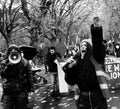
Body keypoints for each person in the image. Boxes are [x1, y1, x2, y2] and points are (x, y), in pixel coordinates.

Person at [63, 17, 108, 109]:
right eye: (81, 45)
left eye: (85, 45)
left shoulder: (96, 58)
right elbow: (71, 81)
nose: (83, 47)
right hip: (82, 99)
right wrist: (69, 69)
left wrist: (96, 30)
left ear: (90, 48)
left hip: (98, 98)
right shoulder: (75, 61)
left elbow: (98, 46)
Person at [0, 44, 34, 109]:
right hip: (8, 91)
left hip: (21, 90)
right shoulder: (4, 62)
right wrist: (9, 66)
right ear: (8, 53)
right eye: (11, 51)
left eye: (15, 51)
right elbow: (2, 74)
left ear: (18, 52)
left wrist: (31, 88)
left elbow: (29, 75)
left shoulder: (24, 62)